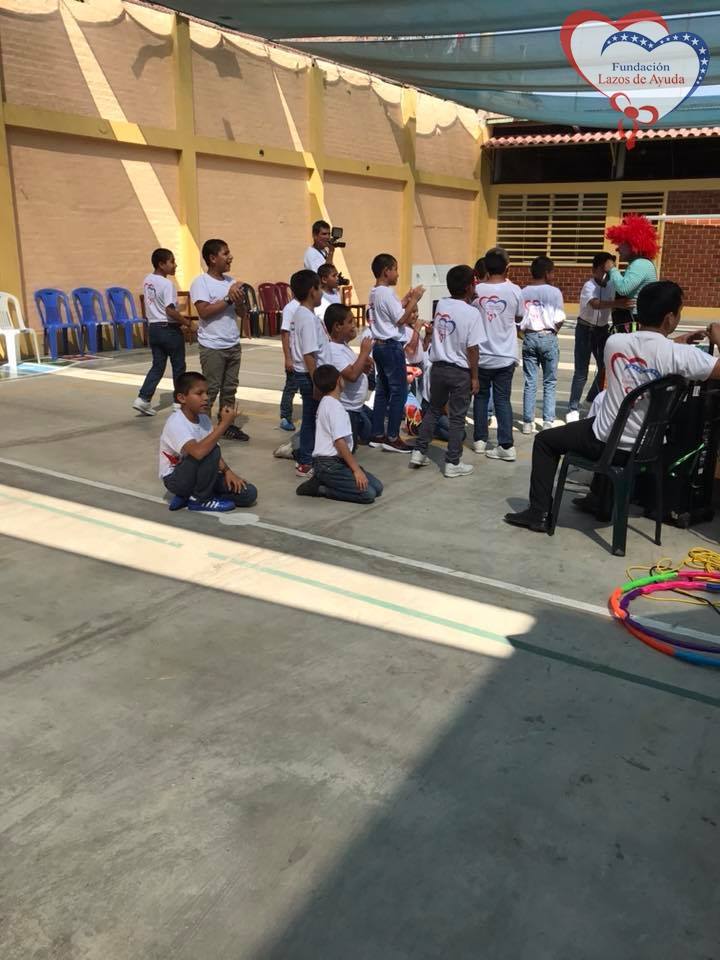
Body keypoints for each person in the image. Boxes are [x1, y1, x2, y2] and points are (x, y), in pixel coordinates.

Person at [504, 281, 720, 532]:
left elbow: (648, 348)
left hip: (607, 444)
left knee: (545, 440)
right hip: (647, 447)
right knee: (598, 421)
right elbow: (662, 352)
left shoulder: (614, 342)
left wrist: (677, 341)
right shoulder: (680, 356)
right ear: (670, 318)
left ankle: (539, 513)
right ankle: (599, 499)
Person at [410, 264, 481, 478]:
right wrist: (475, 377)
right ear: (469, 287)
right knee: (457, 418)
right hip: (460, 371)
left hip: (438, 368)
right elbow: (473, 348)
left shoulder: (441, 304)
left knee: (433, 410)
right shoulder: (472, 313)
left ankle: (419, 451)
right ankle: (453, 462)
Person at [159, 371, 257, 512]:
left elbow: (212, 452)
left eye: (207, 393)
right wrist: (224, 424)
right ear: (182, 398)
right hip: (177, 479)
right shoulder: (176, 422)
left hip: (200, 476)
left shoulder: (204, 419)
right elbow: (199, 452)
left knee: (248, 493)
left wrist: (228, 472)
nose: (206, 398)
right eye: (199, 394)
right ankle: (199, 500)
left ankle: (191, 495)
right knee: (210, 449)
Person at [297, 364, 384, 503]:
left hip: (335, 462)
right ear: (339, 380)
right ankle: (320, 488)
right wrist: (356, 470)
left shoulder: (326, 402)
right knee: (368, 494)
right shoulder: (335, 408)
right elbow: (340, 442)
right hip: (329, 464)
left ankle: (329, 479)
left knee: (377, 487)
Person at [189, 238, 249, 441]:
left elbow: (242, 313)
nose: (230, 257)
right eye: (225, 253)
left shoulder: (231, 282)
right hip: (212, 346)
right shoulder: (201, 283)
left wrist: (240, 301)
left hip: (232, 344)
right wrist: (228, 299)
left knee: (230, 389)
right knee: (211, 389)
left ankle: (227, 426)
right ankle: (203, 430)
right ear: (213, 258)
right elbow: (204, 312)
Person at [367, 253, 425, 453]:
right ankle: (392, 436)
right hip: (391, 346)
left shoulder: (375, 292)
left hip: (379, 345)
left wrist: (406, 299)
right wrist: (415, 299)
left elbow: (391, 313)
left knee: (383, 390)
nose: (398, 274)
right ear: (386, 271)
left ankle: (377, 434)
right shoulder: (386, 292)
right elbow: (401, 319)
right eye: (395, 269)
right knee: (399, 390)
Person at [472, 248, 524, 461]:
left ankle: (479, 440)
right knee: (502, 399)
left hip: (481, 355)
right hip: (505, 355)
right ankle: (506, 445)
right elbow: (519, 317)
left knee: (480, 397)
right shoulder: (514, 290)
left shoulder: (476, 290)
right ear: (507, 268)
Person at [566, 253, 629, 423]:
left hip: (602, 330)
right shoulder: (589, 286)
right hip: (585, 329)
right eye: (603, 270)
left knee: (605, 367)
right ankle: (573, 407)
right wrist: (617, 304)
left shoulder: (612, 285)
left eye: (609, 270)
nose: (606, 274)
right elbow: (595, 304)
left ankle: (591, 399)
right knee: (581, 371)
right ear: (594, 270)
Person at [133, 248, 189, 416]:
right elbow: (170, 310)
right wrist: (187, 323)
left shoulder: (147, 280)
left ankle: (143, 399)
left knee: (158, 366)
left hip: (154, 328)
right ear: (161, 264)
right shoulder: (167, 284)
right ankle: (179, 403)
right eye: (172, 262)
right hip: (168, 329)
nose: (175, 265)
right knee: (178, 366)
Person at [288, 268, 329, 478]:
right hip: (310, 376)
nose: (322, 292)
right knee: (311, 420)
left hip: (308, 375)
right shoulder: (306, 318)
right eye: (320, 288)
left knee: (312, 418)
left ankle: (309, 456)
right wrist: (317, 382)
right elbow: (309, 354)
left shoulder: (302, 314)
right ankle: (305, 462)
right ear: (312, 291)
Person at [519, 256, 566, 434]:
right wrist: (553, 332)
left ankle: (527, 422)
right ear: (547, 273)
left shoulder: (524, 292)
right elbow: (559, 318)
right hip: (548, 335)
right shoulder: (554, 292)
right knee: (550, 381)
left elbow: (519, 317)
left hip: (530, 336)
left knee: (530, 381)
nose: (554, 275)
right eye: (552, 272)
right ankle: (547, 421)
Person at [323, 302, 374, 444]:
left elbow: (353, 368)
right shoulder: (333, 350)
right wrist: (364, 353)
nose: (354, 325)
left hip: (357, 407)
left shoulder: (343, 347)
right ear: (337, 327)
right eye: (350, 322)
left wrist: (363, 365)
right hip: (347, 409)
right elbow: (351, 375)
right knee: (349, 446)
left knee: (374, 429)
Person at [604, 214, 659, 325]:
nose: (617, 249)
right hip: (634, 318)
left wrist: (612, 268)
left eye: (621, 244)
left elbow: (623, 289)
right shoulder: (641, 263)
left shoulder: (640, 264)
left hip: (633, 320)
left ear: (632, 244)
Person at [279, 293, 300, 432]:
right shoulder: (290, 308)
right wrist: (288, 358)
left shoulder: (310, 306)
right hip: (295, 356)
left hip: (307, 356)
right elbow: (285, 333)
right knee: (291, 387)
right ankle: (285, 417)